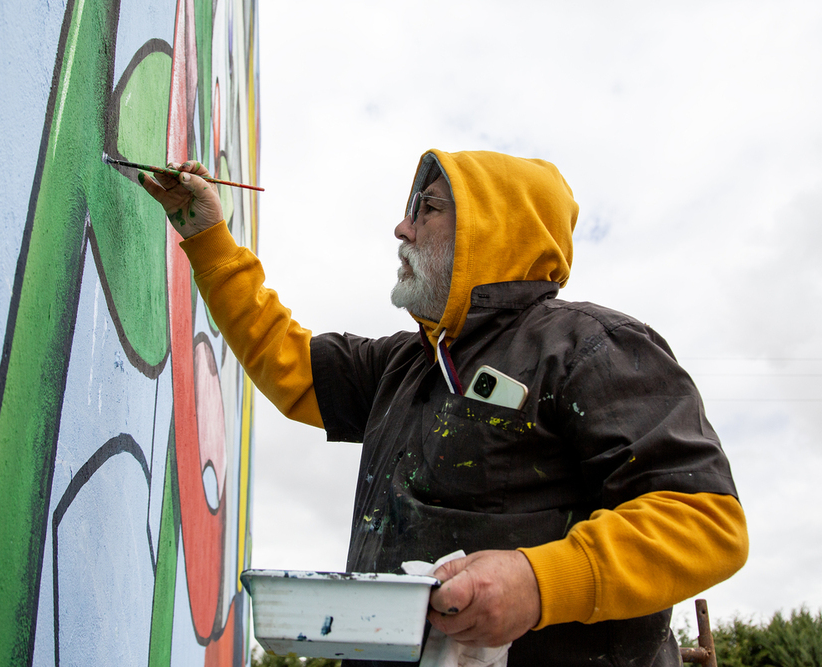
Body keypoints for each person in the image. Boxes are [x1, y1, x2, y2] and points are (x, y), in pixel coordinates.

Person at [138, 150, 748, 666]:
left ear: (491, 228)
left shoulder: (587, 347)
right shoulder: (408, 364)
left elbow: (707, 521)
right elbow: (289, 364)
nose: (401, 230)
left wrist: (539, 582)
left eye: (426, 209)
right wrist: (207, 236)